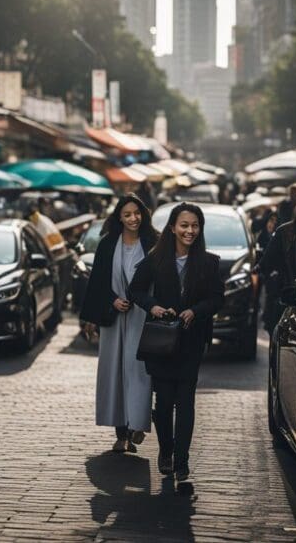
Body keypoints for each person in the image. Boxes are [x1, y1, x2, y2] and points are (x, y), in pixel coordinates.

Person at [128, 202, 224, 491]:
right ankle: (166, 451)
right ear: (172, 227)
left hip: (192, 342)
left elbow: (217, 299)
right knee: (164, 402)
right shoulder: (156, 259)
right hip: (161, 343)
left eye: (195, 226)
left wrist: (196, 311)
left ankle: (181, 461)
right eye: (184, 225)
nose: (189, 231)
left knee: (186, 403)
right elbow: (135, 290)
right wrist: (153, 306)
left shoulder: (209, 262)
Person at [79, 194, 158, 454]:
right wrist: (112, 301)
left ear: (143, 214)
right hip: (113, 318)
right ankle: (121, 433)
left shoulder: (153, 242)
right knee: (114, 374)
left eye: (137, 213)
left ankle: (137, 424)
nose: (133, 218)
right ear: (119, 218)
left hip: (143, 317)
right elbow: (97, 282)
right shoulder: (107, 244)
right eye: (127, 214)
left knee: (139, 372)